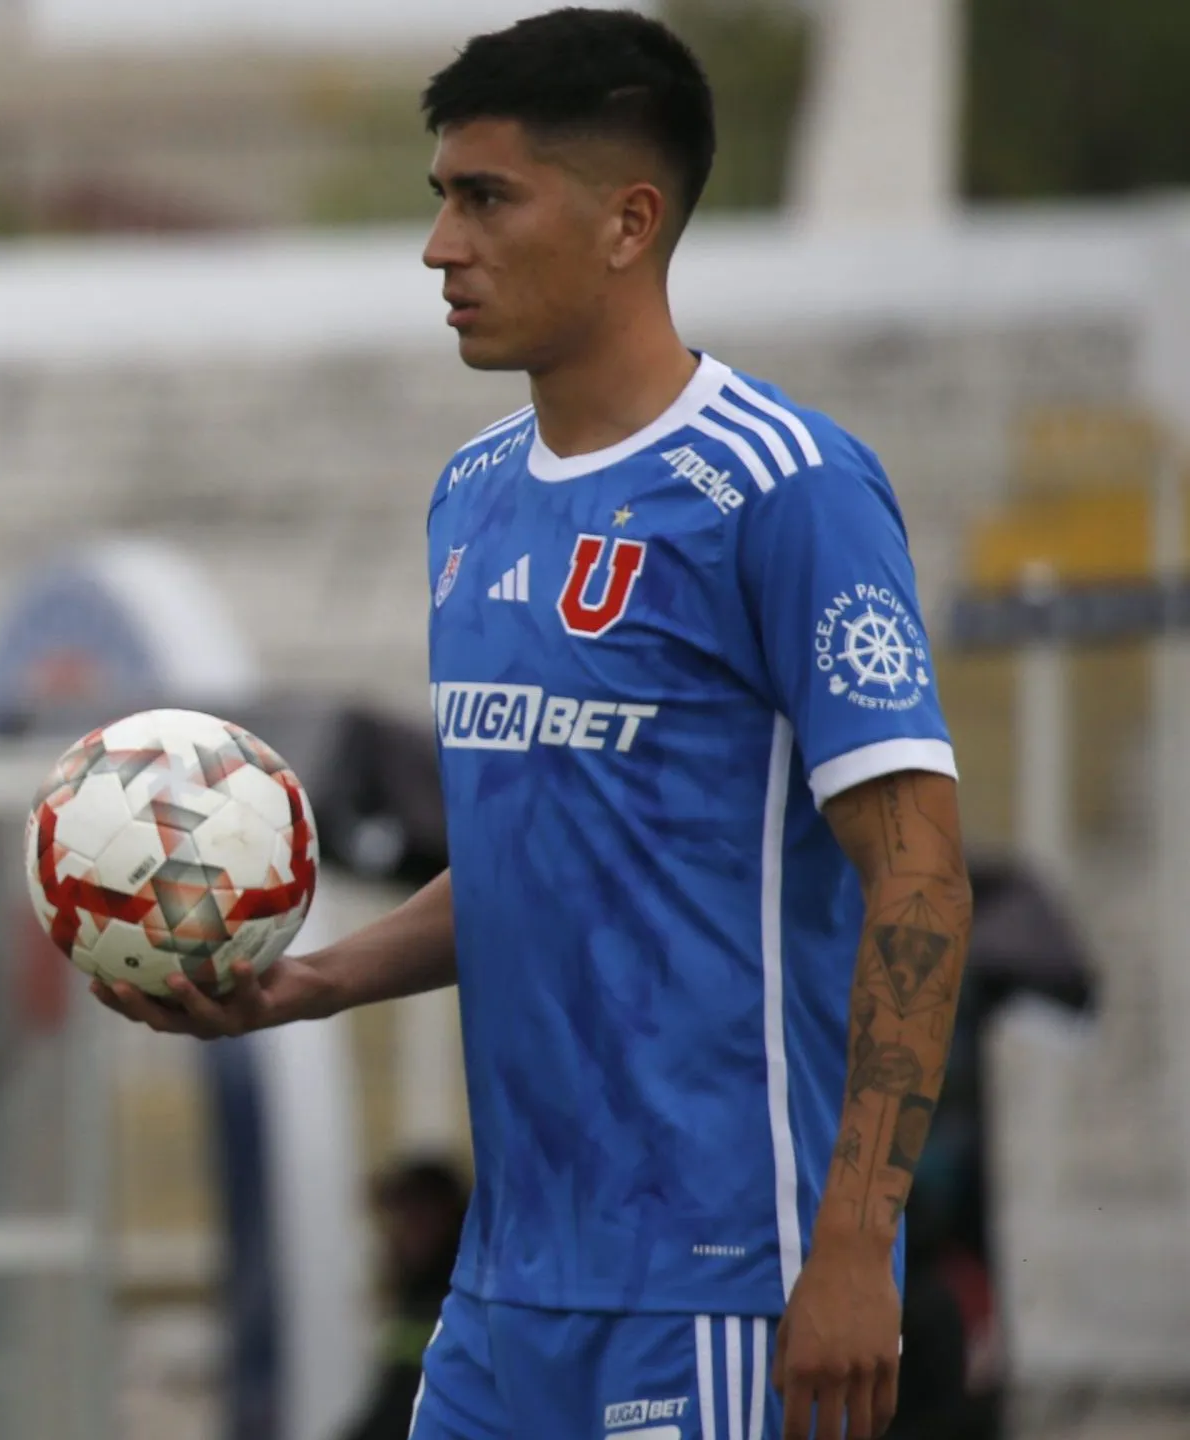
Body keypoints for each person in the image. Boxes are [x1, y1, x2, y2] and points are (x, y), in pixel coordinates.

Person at [94, 12, 971, 1440]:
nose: (442, 245)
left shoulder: (783, 490)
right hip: (506, 1296)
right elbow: (533, 858)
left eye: (486, 197)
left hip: (717, 1282)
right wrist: (306, 984)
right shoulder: (473, 496)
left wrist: (857, 1248)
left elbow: (922, 876)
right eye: (440, 196)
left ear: (631, 222)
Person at [340, 1159, 470, 1440]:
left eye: (415, 1216)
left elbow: (404, 1411)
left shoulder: (453, 1304)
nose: (399, 1233)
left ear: (447, 1217)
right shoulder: (417, 1300)